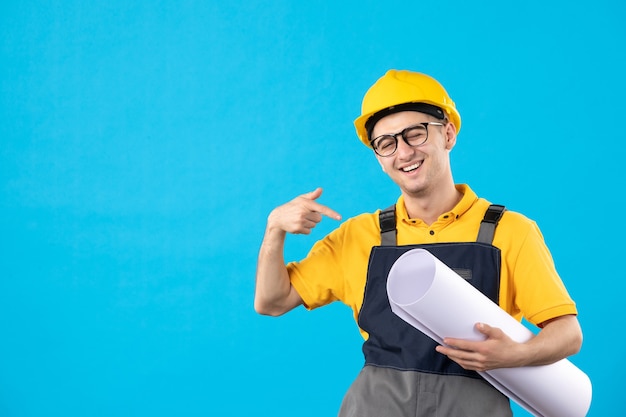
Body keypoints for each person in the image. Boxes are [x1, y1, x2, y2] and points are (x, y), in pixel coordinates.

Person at [254, 69, 582, 416]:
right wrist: (274, 230)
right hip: (375, 405)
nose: (404, 152)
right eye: (387, 143)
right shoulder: (358, 236)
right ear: (380, 159)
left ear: (448, 134)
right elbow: (272, 302)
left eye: (415, 134)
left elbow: (568, 333)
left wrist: (516, 355)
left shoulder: (510, 232)